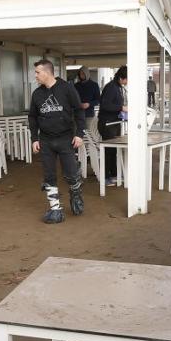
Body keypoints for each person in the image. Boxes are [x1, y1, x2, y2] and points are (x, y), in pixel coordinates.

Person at [28, 58, 85, 224]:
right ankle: (56, 210)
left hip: (66, 139)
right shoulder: (37, 94)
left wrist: (79, 134)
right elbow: (32, 117)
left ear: (47, 72)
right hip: (46, 141)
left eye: (38, 72)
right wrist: (34, 138)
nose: (36, 76)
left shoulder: (67, 88)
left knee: (71, 174)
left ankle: (75, 194)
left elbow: (79, 112)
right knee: (49, 175)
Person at [98, 66, 128, 186]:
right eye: (127, 79)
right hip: (107, 124)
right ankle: (105, 177)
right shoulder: (111, 87)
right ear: (121, 78)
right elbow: (105, 105)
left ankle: (114, 174)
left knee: (113, 150)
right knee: (108, 150)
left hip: (114, 123)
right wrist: (121, 108)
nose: (127, 82)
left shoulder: (118, 87)